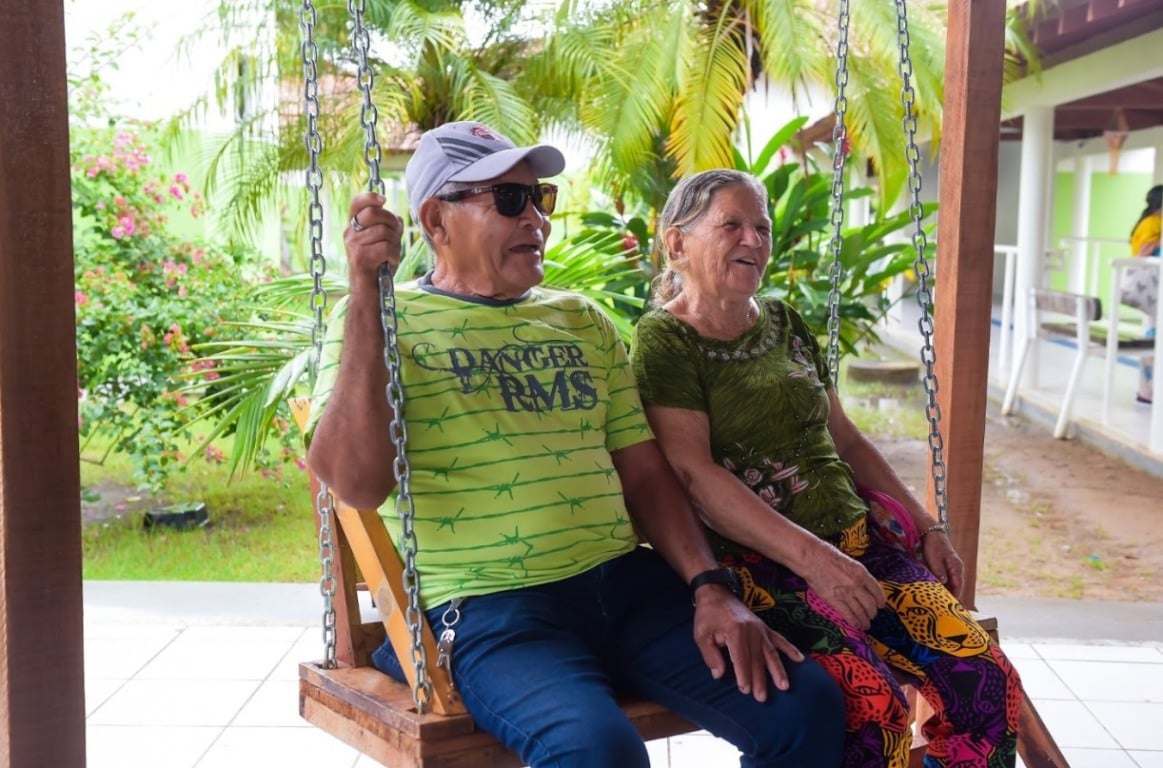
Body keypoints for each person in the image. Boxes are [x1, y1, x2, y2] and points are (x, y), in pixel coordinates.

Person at [305, 123, 845, 768]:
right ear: (435, 219)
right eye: (508, 200)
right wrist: (369, 292)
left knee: (803, 703)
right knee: (596, 752)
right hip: (487, 610)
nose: (535, 218)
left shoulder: (579, 319)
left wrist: (709, 586)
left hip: (626, 589)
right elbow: (357, 483)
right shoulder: (378, 321)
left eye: (541, 199)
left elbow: (645, 475)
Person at [631, 169, 1024, 768]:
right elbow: (694, 474)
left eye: (761, 227)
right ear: (676, 244)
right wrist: (817, 560)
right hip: (770, 568)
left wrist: (925, 527)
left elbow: (845, 438)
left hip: (862, 549)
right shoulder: (666, 341)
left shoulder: (785, 322)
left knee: (985, 677)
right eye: (732, 225)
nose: (754, 241)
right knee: (874, 710)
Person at [1122, 184, 1162, 403]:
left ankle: (1148, 389)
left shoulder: (1147, 221)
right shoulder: (1153, 223)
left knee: (1152, 338)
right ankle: (1148, 390)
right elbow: (1143, 251)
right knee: (1153, 340)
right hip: (1154, 291)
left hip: (1152, 292)